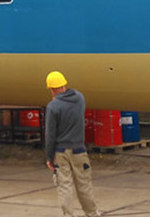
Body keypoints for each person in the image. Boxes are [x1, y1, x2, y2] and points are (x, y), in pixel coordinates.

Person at [44, 71, 102, 217]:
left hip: (61, 152)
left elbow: (50, 135)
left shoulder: (53, 106)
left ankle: (69, 214)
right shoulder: (80, 98)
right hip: (79, 150)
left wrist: (49, 157)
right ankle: (92, 213)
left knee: (65, 185)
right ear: (64, 84)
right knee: (84, 184)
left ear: (51, 89)